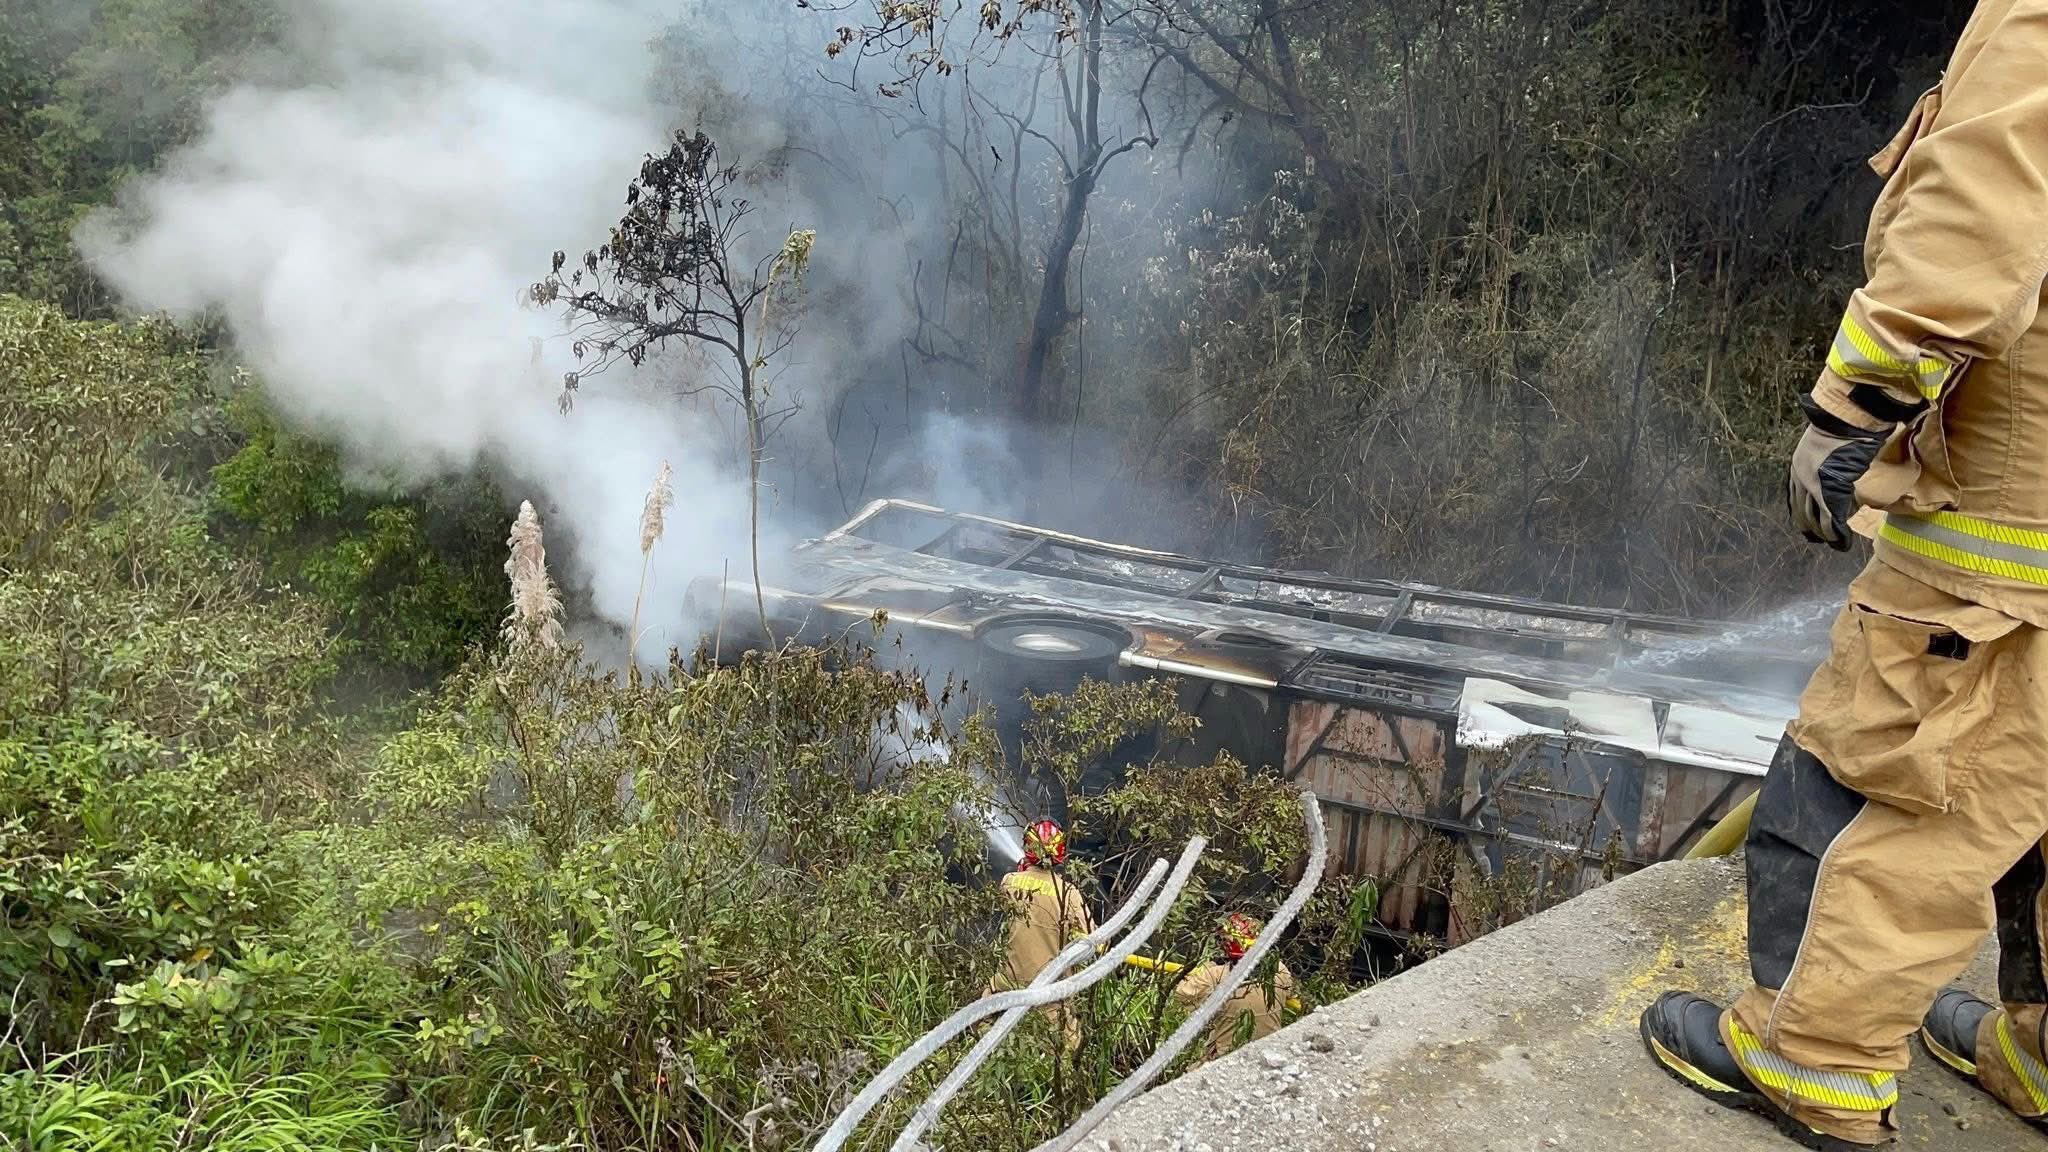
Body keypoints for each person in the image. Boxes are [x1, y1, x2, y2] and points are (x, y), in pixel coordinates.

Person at [1639, 4, 2048, 1147]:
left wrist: (1851, 409)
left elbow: (1977, 215)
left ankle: (1810, 1057)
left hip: (2003, 536)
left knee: (1906, 785)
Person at [988, 819, 1095, 1046]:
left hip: (1007, 987)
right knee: (1068, 1050)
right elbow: (1093, 941)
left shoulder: (1010, 882)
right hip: (1050, 995)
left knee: (981, 1027)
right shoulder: (1069, 893)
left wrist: (1023, 872)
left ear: (1028, 847)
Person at [1172, 913, 1297, 1062]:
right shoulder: (1280, 969)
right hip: (1270, 1054)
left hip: (1226, 1058)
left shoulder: (1216, 976)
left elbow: (1181, 993)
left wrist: (1210, 965)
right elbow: (1289, 991)